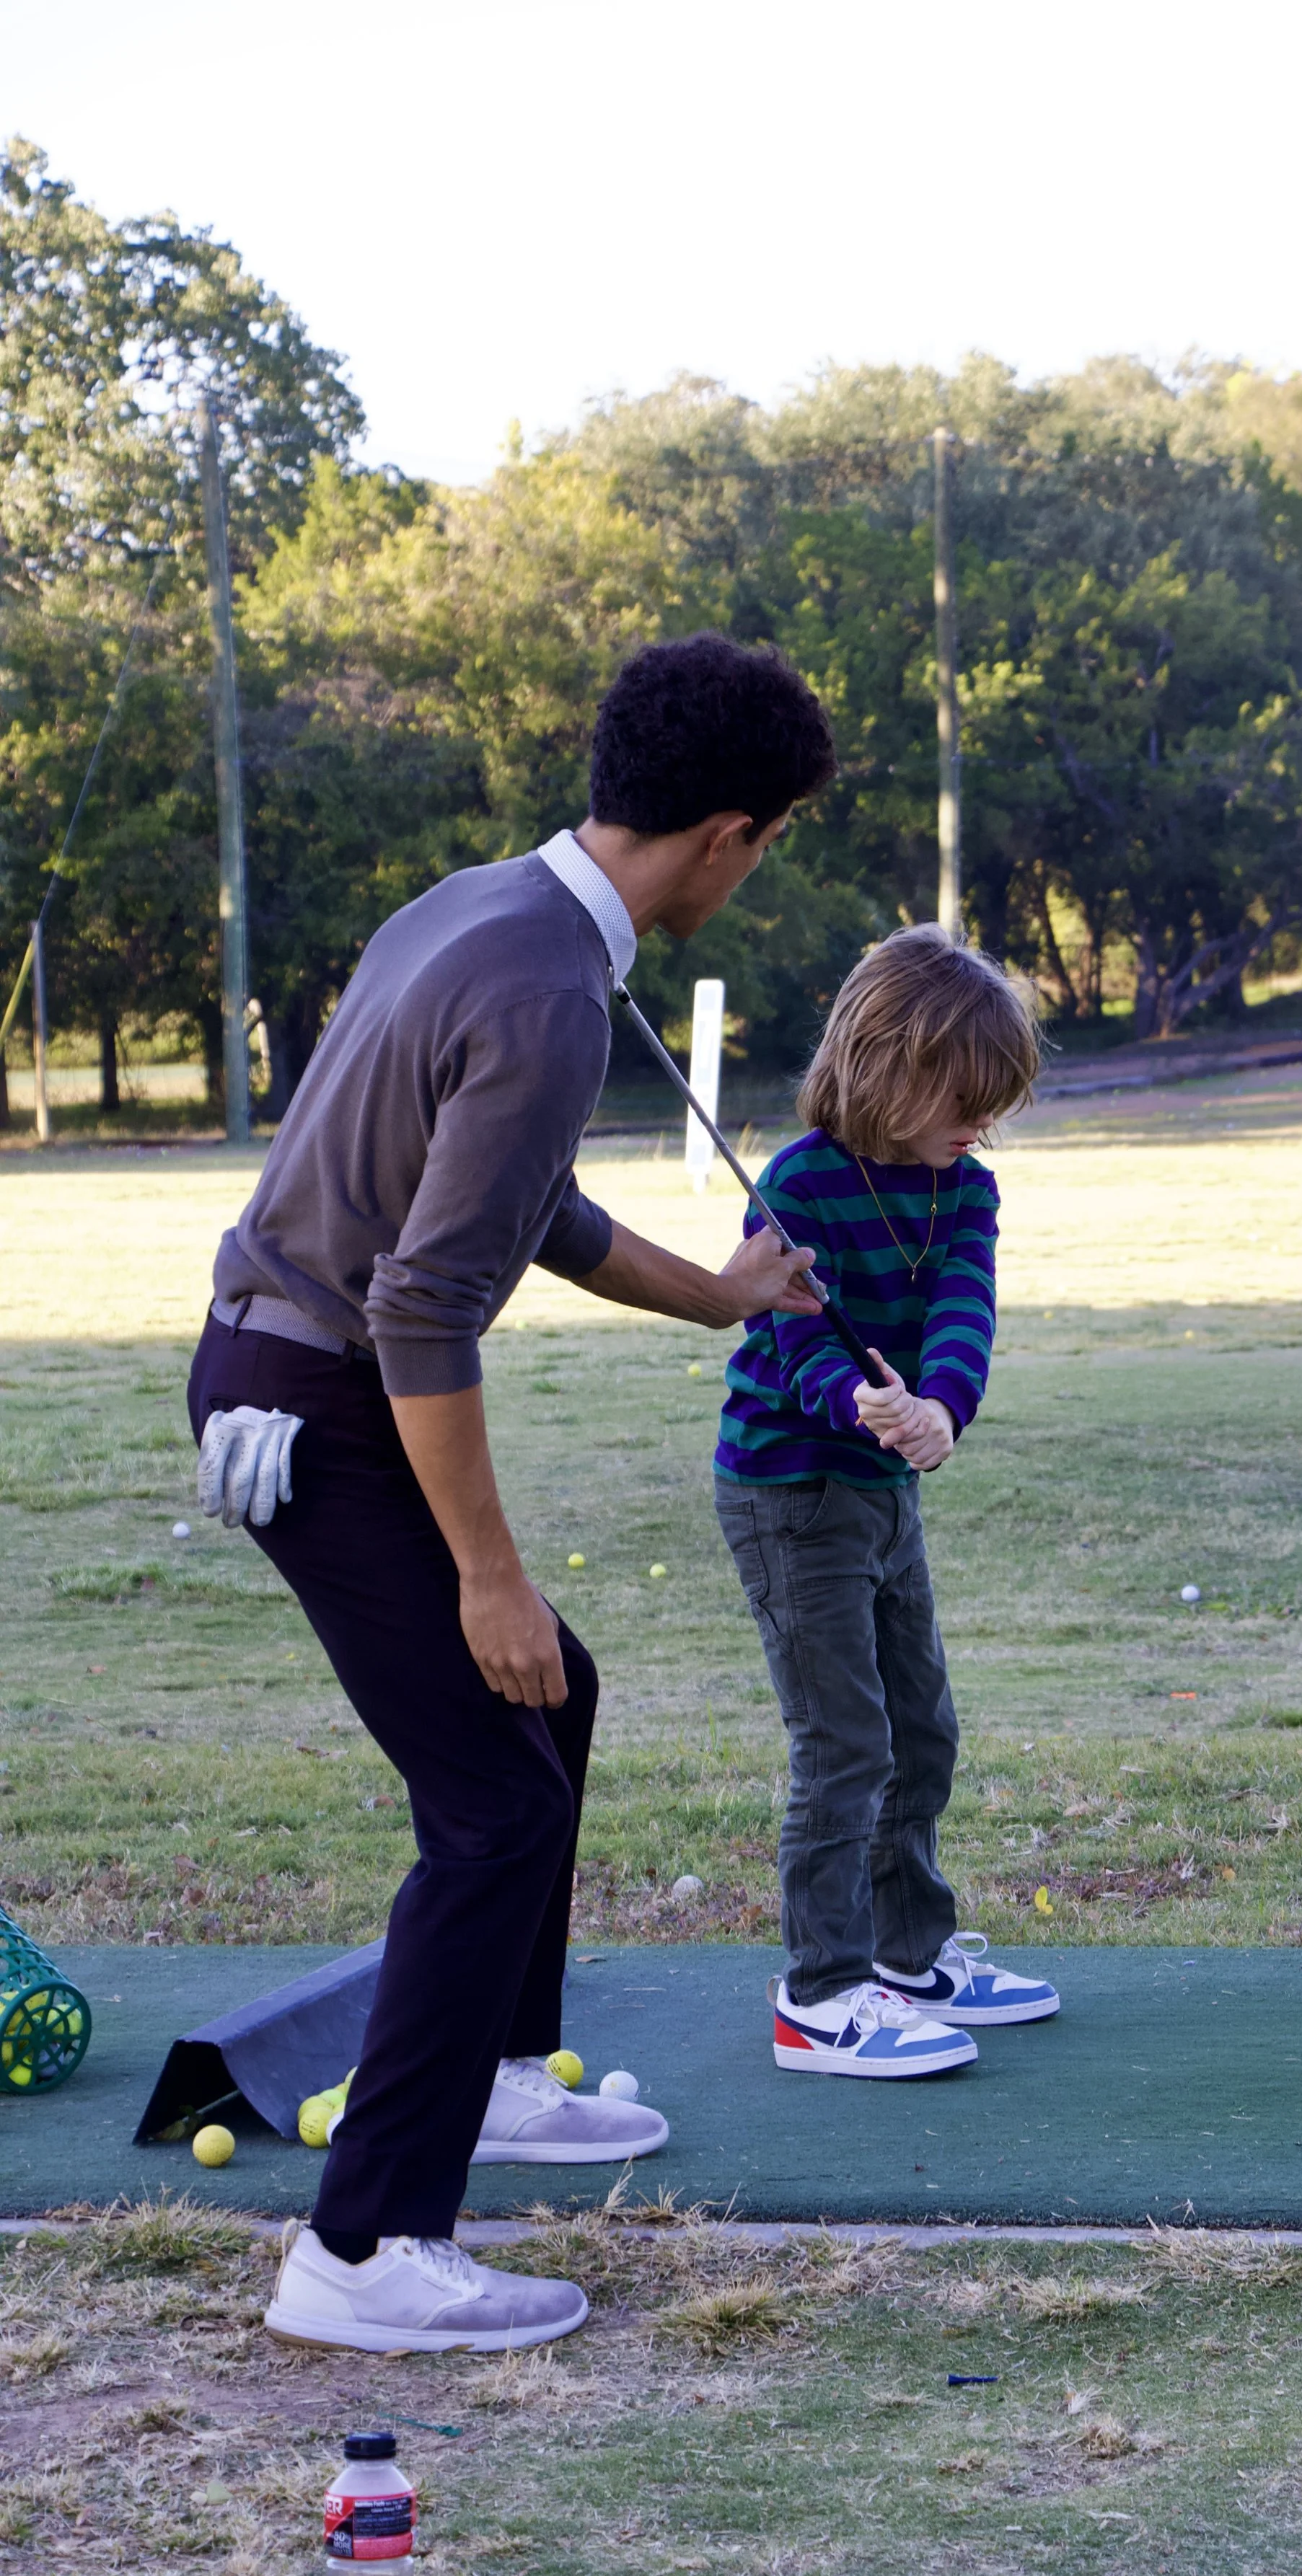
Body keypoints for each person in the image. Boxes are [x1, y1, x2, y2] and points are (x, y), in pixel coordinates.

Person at [190, 635, 836, 2353]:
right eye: (763, 841)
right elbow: (420, 1302)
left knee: (560, 1699)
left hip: (292, 1371)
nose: (752, 869)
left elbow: (517, 1205)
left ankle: (486, 2076)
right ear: (726, 832)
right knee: (493, 1799)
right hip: (313, 1402)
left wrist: (718, 1292)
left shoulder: (483, 906)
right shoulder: (550, 989)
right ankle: (364, 2250)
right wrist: (488, 1572)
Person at [713, 923, 1059, 2079]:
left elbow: (966, 1309)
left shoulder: (967, 1188)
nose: (982, 1119)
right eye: (964, 1093)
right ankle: (821, 1992)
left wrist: (942, 1412)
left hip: (880, 1489)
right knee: (845, 1740)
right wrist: (856, 1403)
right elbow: (782, 1338)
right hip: (790, 1486)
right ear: (886, 1065)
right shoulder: (800, 1184)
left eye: (995, 1099)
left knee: (922, 1727)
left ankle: (909, 1955)